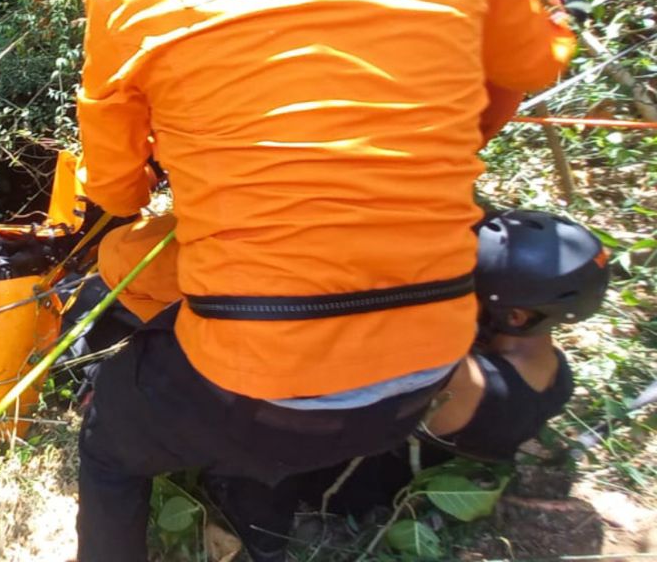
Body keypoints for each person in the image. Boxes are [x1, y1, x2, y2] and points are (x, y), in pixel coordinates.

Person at [73, 0, 577, 560]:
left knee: (106, 445)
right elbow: (529, 66)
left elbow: (115, 189)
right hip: (426, 365)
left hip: (249, 384)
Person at [205, 210, 611, 557]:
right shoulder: (552, 370)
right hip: (433, 449)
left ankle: (261, 535)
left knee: (265, 427)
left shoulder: (468, 380)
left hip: (363, 478)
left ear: (516, 315)